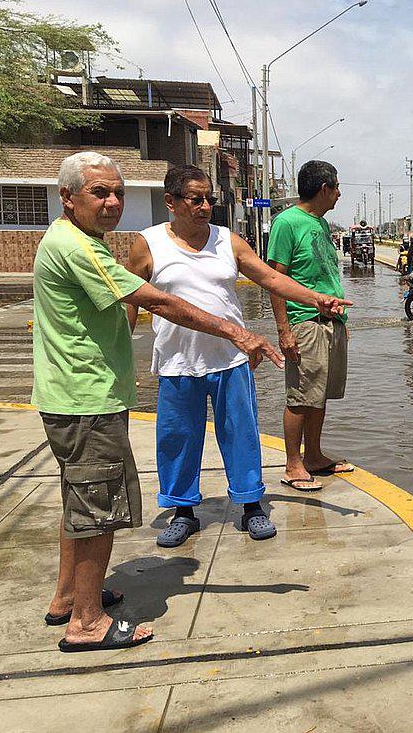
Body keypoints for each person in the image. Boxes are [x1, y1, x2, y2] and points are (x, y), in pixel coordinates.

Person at [34, 152, 283, 652]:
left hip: (79, 393)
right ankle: (87, 623)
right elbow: (155, 301)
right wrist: (237, 331)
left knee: (80, 504)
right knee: (99, 509)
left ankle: (68, 598)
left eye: (117, 193)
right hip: (85, 396)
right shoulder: (82, 248)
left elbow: (263, 276)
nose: (111, 202)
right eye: (99, 193)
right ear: (67, 197)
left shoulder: (82, 241)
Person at [126, 165, 352, 548]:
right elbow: (130, 298)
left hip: (231, 359)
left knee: (241, 437)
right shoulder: (148, 245)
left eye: (209, 199)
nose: (204, 207)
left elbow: (272, 278)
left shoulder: (227, 241)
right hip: (178, 363)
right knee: (178, 440)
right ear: (171, 202)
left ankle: (251, 506)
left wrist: (316, 298)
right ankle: (183, 512)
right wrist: (119, 353)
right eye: (195, 199)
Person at [267, 161, 353, 491]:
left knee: (320, 395)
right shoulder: (287, 223)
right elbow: (276, 279)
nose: (339, 194)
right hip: (305, 323)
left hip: (331, 323)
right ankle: (293, 464)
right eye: (336, 188)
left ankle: (314, 455)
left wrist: (341, 322)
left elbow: (326, 277)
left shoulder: (320, 223)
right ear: (323, 189)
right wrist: (284, 329)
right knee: (301, 396)